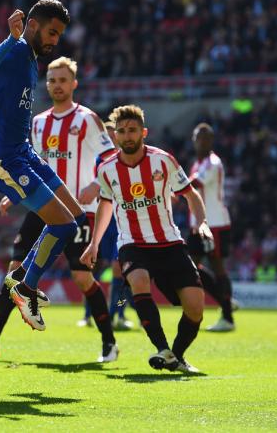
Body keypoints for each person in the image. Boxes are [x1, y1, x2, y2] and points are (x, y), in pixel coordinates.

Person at [0, 56, 118, 362]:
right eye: (51, 80)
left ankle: (109, 344)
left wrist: (99, 186)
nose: (56, 85)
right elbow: (26, 162)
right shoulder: (36, 122)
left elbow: (110, 158)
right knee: (14, 273)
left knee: (82, 279)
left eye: (63, 80)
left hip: (78, 210)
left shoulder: (87, 119)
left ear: (74, 83)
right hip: (41, 208)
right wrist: (15, 193)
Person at [0, 0, 85, 331]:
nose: (55, 40)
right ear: (33, 25)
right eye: (51, 32)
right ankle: (26, 287)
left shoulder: (32, 62)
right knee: (63, 226)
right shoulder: (14, 51)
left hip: (23, 152)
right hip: (1, 157)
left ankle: (23, 276)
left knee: (77, 217)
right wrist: (10, 39)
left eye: (59, 35)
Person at [80, 105, 213, 373]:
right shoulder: (107, 169)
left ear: (144, 132)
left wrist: (202, 223)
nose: (127, 136)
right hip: (132, 243)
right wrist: (93, 244)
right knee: (138, 282)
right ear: (114, 135)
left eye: (132, 130)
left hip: (169, 242)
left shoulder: (163, 160)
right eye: (121, 131)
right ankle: (162, 348)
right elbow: (105, 207)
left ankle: (175, 355)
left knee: (196, 307)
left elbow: (191, 195)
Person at [79, 119, 135, 331]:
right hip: (100, 220)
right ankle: (88, 314)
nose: (112, 138)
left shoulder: (126, 161)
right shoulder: (98, 161)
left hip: (119, 223)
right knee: (93, 269)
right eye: (108, 135)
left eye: (114, 135)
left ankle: (117, 314)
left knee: (119, 272)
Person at [187, 123, 236, 332]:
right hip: (198, 224)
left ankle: (227, 314)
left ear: (212, 141)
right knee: (193, 267)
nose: (203, 142)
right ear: (194, 140)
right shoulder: (197, 164)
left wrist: (172, 187)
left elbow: (195, 184)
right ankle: (226, 302)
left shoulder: (212, 163)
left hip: (213, 223)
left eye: (207, 138)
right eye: (200, 137)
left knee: (216, 267)